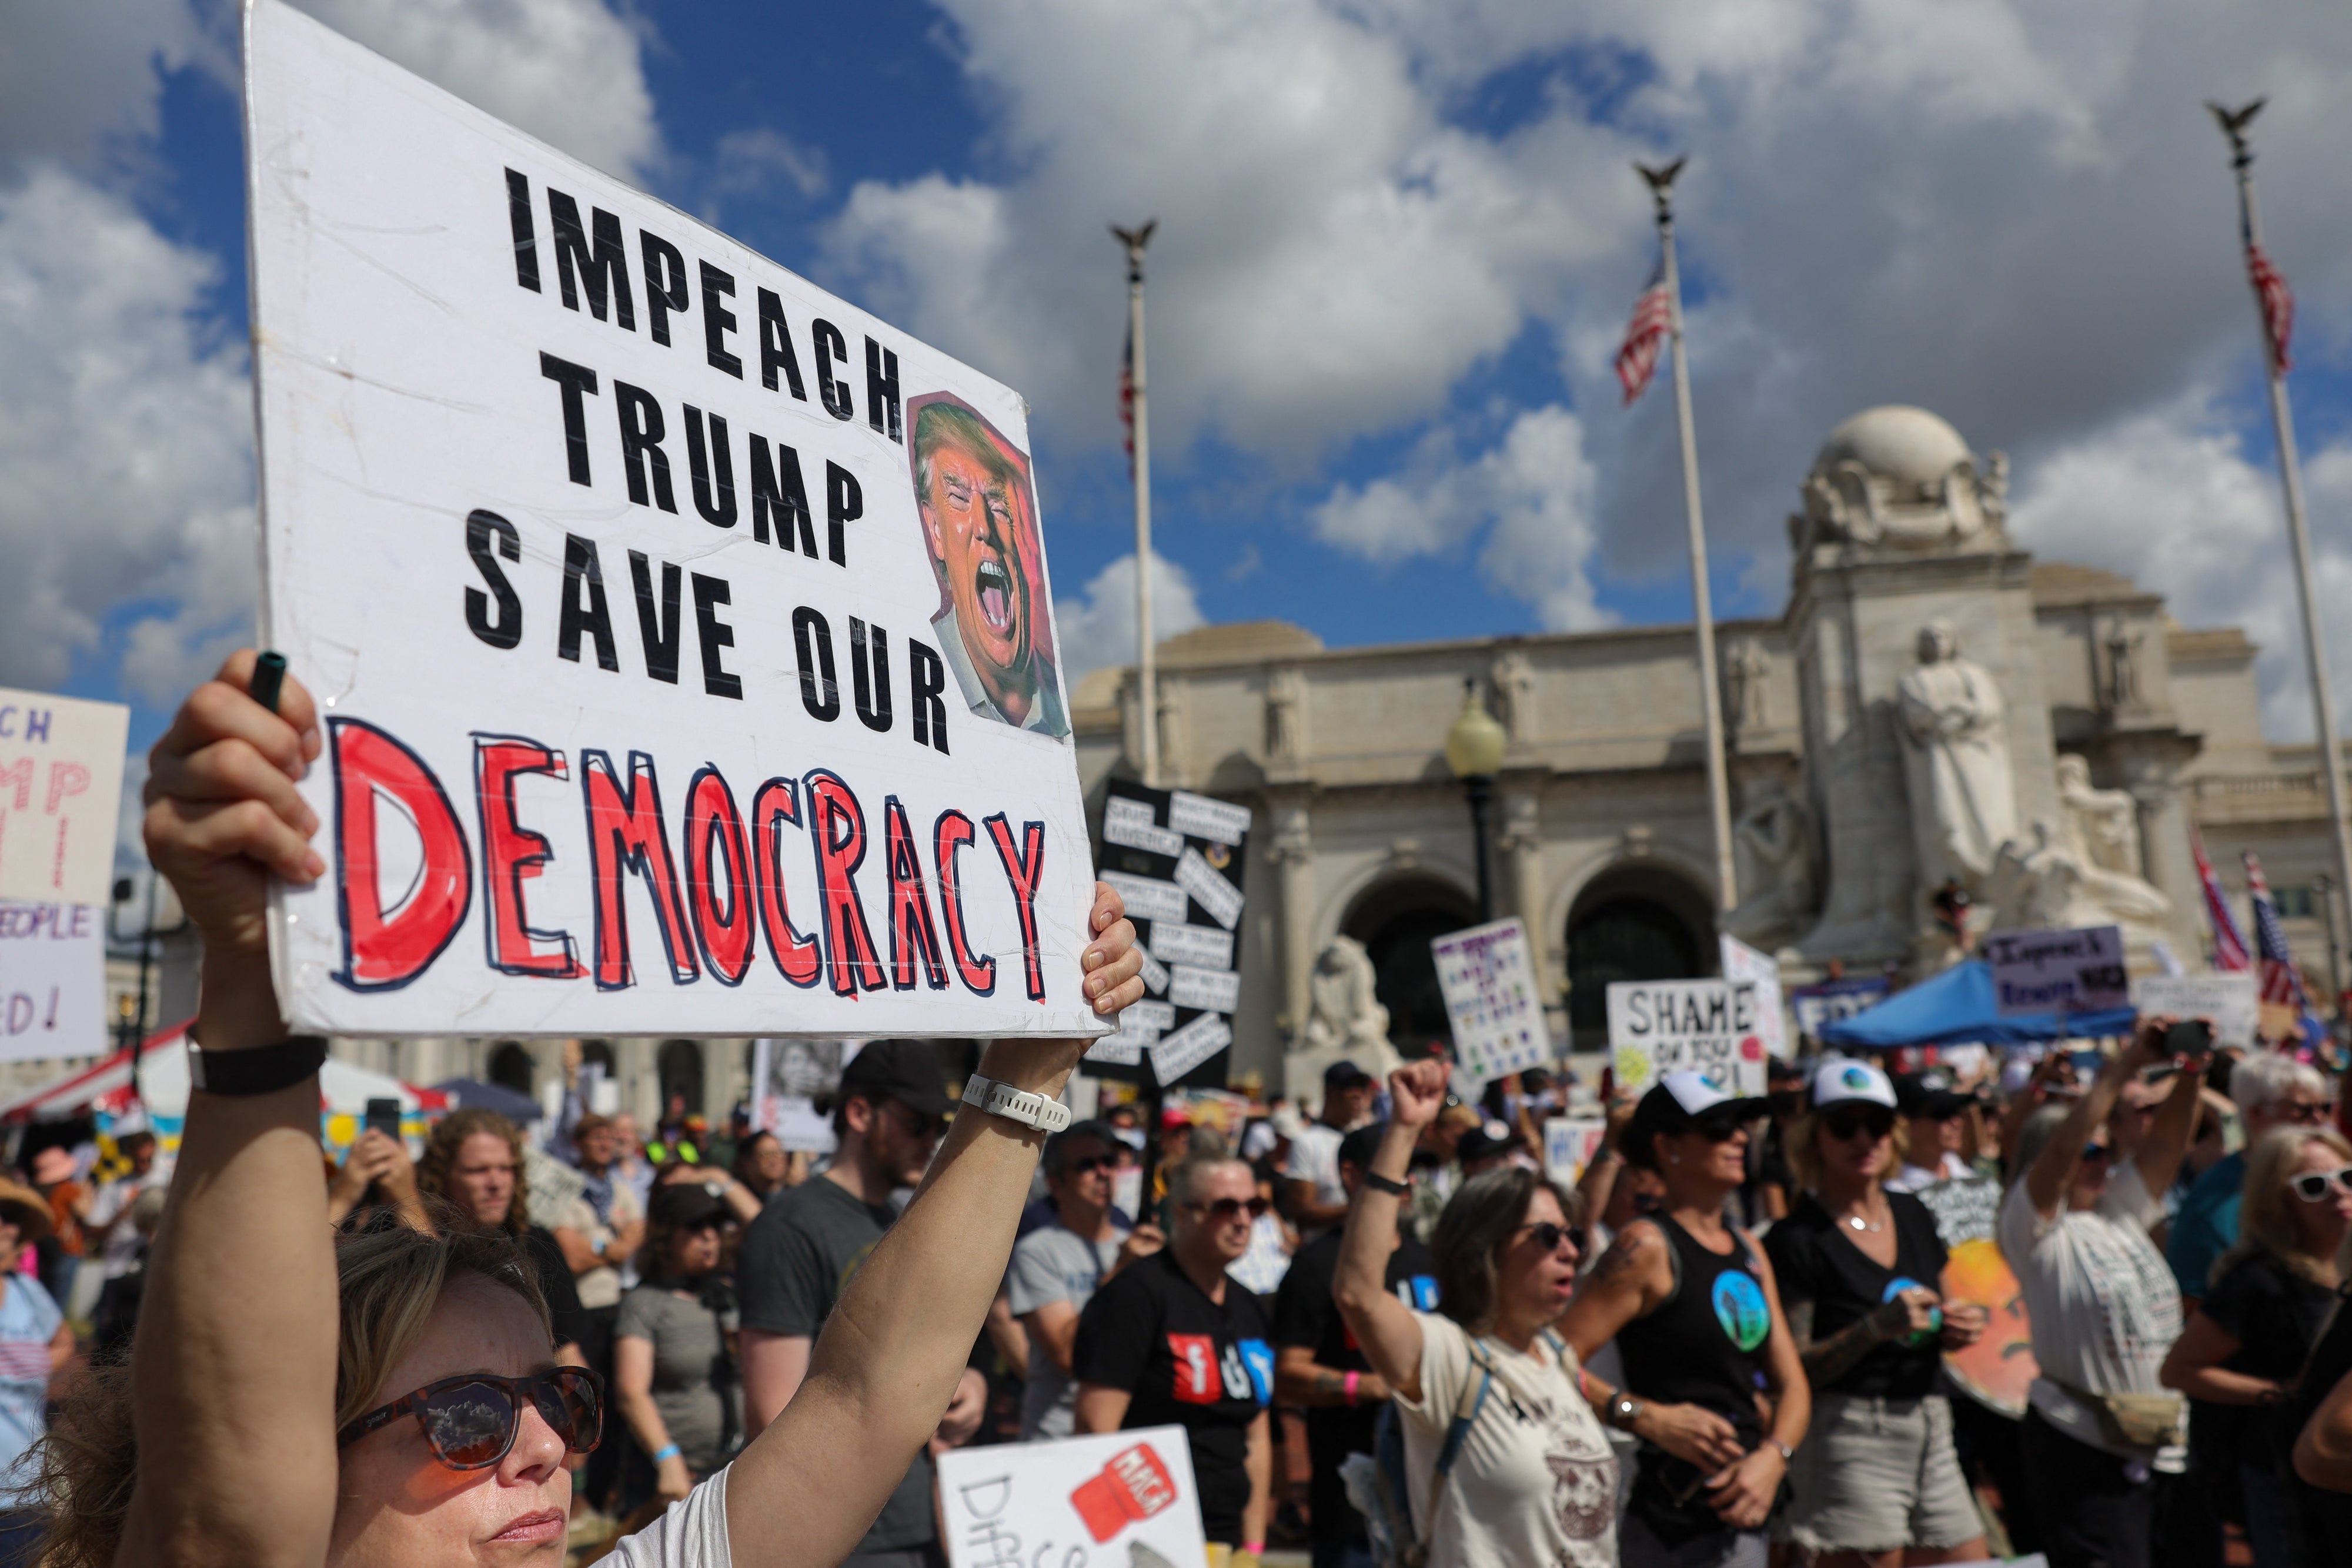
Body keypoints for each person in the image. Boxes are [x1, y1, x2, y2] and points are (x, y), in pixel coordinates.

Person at [35, 648, 1146, 1568]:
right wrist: (250, 987)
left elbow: (865, 1398)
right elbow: (220, 1521)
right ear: (304, 1461)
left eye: (560, 1401)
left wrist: (1036, 1065)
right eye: (464, 1420)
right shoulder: (236, 1517)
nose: (543, 1452)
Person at [1331, 1059, 1614, 1567]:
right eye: (1548, 1236)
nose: (1571, 1251)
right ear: (1486, 1250)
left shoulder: (1554, 1354)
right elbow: (1358, 1293)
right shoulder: (1449, 1357)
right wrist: (1404, 1131)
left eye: (1573, 1237)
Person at [737, 1039, 988, 1568]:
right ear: (859, 1112)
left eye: (939, 1125)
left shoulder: (904, 1217)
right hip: (838, 1535)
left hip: (918, 1520)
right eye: (918, 1122)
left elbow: (919, 1354)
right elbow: (773, 1411)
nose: (931, 1140)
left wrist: (965, 1387)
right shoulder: (788, 1227)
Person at [1562, 1071, 1810, 1568]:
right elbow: (1550, 1359)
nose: (1739, 1137)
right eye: (1719, 1127)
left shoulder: (1749, 1248)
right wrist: (1647, 1417)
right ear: (1669, 1146)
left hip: (1745, 1510)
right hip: (1667, 1523)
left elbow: (1793, 1385)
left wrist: (1773, 1458)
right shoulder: (1645, 1246)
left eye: (1742, 1125)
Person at [1999, 1019, 2207, 1568]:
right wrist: (2122, 1067)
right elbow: (2064, 1145)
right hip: (2083, 1446)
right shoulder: (2034, 1229)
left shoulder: (2120, 1211)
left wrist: (2191, 1069)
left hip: (2164, 1443)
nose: (2097, 1159)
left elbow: (2167, 1142)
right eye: (2086, 1152)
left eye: (2103, 1150)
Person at [1766, 1059, 1989, 1566]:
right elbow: (1793, 1368)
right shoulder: (1798, 1238)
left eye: (1879, 1124)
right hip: (1849, 1433)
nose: (1864, 1138)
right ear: (1813, 1136)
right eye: (1845, 1125)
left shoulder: (1911, 1212)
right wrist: (1873, 1329)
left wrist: (1958, 1325)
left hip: (1931, 1421)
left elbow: (1948, 1304)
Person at [2160, 1125, 2352, 1566]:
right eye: (2314, 1186)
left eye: (2349, 1176)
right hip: (2281, 1475)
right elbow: (2179, 1369)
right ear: (2279, 1200)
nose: (2339, 1193)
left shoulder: (2344, 1266)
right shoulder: (2258, 1279)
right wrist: (2276, 1391)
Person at [1074, 1152, 1275, 1562]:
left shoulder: (1249, 1307)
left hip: (1228, 1535)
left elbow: (1256, 1434)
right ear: (1183, 1214)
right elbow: (1097, 1425)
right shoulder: (1137, 1294)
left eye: (1253, 1206)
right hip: (1154, 1537)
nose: (1242, 1220)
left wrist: (1253, 1546)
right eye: (1224, 1206)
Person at [1277, 1121, 1439, 1568]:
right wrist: (1373, 1387)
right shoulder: (1316, 1266)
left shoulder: (1430, 1258)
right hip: (1354, 1506)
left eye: (1414, 1171)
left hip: (1433, 1497)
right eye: (1396, 1170)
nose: (1408, 1184)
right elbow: (1287, 1376)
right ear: (1351, 1175)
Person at [908, 396, 1068, 736]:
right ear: (935, 530)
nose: (984, 528)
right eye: (959, 499)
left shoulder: (1055, 698)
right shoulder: (916, 668)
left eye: (997, 505)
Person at [1006, 1121, 1155, 1440]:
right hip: (1059, 1437)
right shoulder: (1037, 1252)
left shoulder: (1139, 1248)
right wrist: (1120, 1273)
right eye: (1087, 1165)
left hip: (1129, 1434)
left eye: (1109, 1162)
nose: (1103, 1173)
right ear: (1057, 1185)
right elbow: (1067, 1354)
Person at [415, 1108, 588, 1364]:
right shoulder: (409, 1238)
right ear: (444, 1176)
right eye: (479, 1170)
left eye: (506, 1169)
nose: (496, 1183)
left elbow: (567, 1354)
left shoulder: (536, 1243)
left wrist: (582, 1402)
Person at [2167, 1052, 2332, 1306]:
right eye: (2303, 1110)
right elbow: (2196, 1302)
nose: (2319, 1120)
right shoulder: (2213, 1202)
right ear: (2256, 1113)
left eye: (2325, 1108)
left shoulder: (2336, 1178)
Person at [615, 1184, 740, 1514]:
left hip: (737, 1468)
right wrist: (666, 1457)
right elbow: (631, 1393)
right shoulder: (644, 1303)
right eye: (697, 1227)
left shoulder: (726, 1295)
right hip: (680, 1479)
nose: (710, 1236)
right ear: (666, 1237)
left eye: (715, 1227)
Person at [0, 1177, 71, 1515]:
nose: (7, 1226)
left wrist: (32, 1366)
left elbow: (64, 1341)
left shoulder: (26, 1290)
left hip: (27, 1490)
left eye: (11, 1215)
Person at [1288, 1061, 1378, 1241]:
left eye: (1362, 1087)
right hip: (1325, 1248)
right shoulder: (1307, 1142)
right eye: (1350, 1087)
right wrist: (1361, 1207)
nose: (1358, 1094)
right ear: (1329, 1093)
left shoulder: (1365, 1137)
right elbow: (1303, 1213)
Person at [1887, 1071, 1977, 1191]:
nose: (1957, 1123)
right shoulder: (1894, 1190)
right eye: (1942, 1114)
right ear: (1904, 1124)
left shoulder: (1969, 1177)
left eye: (1956, 1111)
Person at [730, 1131, 790, 1204]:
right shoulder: (732, 1202)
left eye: (779, 1153)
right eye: (766, 1154)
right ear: (747, 1162)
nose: (774, 1161)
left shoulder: (797, 1198)